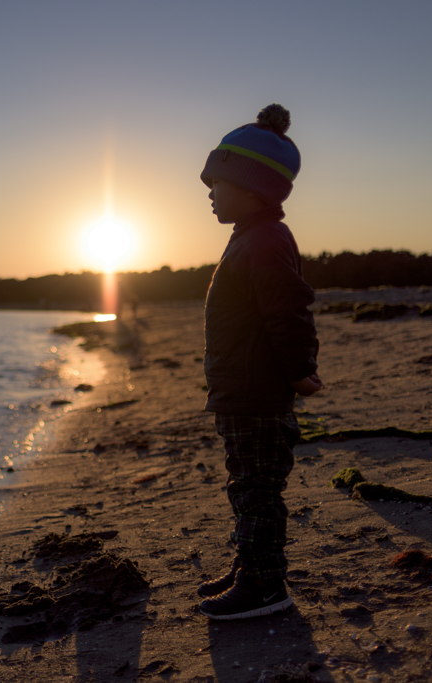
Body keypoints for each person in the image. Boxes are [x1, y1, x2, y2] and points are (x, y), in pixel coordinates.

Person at [195, 104, 322, 621]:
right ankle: (251, 561)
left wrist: (298, 371)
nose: (208, 192)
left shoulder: (267, 240)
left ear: (253, 188)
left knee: (258, 489)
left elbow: (288, 313)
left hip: (258, 393)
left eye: (217, 182)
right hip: (238, 390)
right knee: (244, 484)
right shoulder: (249, 236)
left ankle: (266, 584)